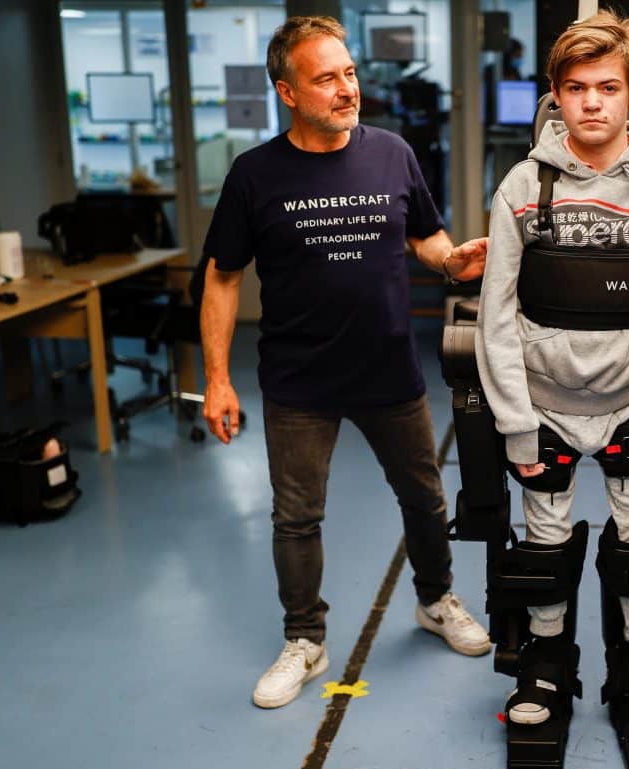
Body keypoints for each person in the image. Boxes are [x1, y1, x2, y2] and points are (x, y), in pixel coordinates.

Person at [200, 15, 492, 710]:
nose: (346, 89)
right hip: (300, 379)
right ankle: (305, 638)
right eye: (326, 78)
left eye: (350, 73)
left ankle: (435, 600)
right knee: (296, 517)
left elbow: (424, 233)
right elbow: (221, 277)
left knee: (423, 496)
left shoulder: (392, 153)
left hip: (388, 368)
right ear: (288, 92)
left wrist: (450, 260)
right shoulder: (254, 175)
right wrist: (215, 379)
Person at [475, 11, 629, 747]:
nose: (591, 103)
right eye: (575, 87)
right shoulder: (521, 186)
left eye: (608, 87)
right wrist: (516, 421)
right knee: (542, 544)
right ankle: (545, 662)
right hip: (544, 403)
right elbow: (495, 314)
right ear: (555, 91)